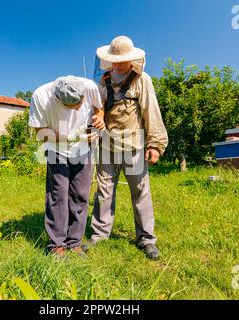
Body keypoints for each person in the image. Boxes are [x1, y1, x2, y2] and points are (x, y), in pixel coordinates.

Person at [89, 36, 169, 260]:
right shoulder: (103, 81)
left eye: (121, 60)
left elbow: (150, 111)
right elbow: (98, 109)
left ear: (132, 59)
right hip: (107, 146)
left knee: (140, 192)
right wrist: (99, 117)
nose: (117, 64)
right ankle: (99, 236)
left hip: (134, 146)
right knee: (104, 193)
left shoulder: (142, 80)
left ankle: (146, 239)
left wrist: (155, 144)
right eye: (114, 60)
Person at [29, 76, 105, 257]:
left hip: (83, 150)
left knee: (80, 195)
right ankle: (56, 245)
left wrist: (99, 118)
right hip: (57, 149)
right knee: (58, 195)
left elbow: (99, 108)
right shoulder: (40, 96)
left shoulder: (89, 86)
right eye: (73, 107)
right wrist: (71, 137)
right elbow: (40, 133)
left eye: (81, 103)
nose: (79, 108)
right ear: (58, 100)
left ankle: (75, 242)